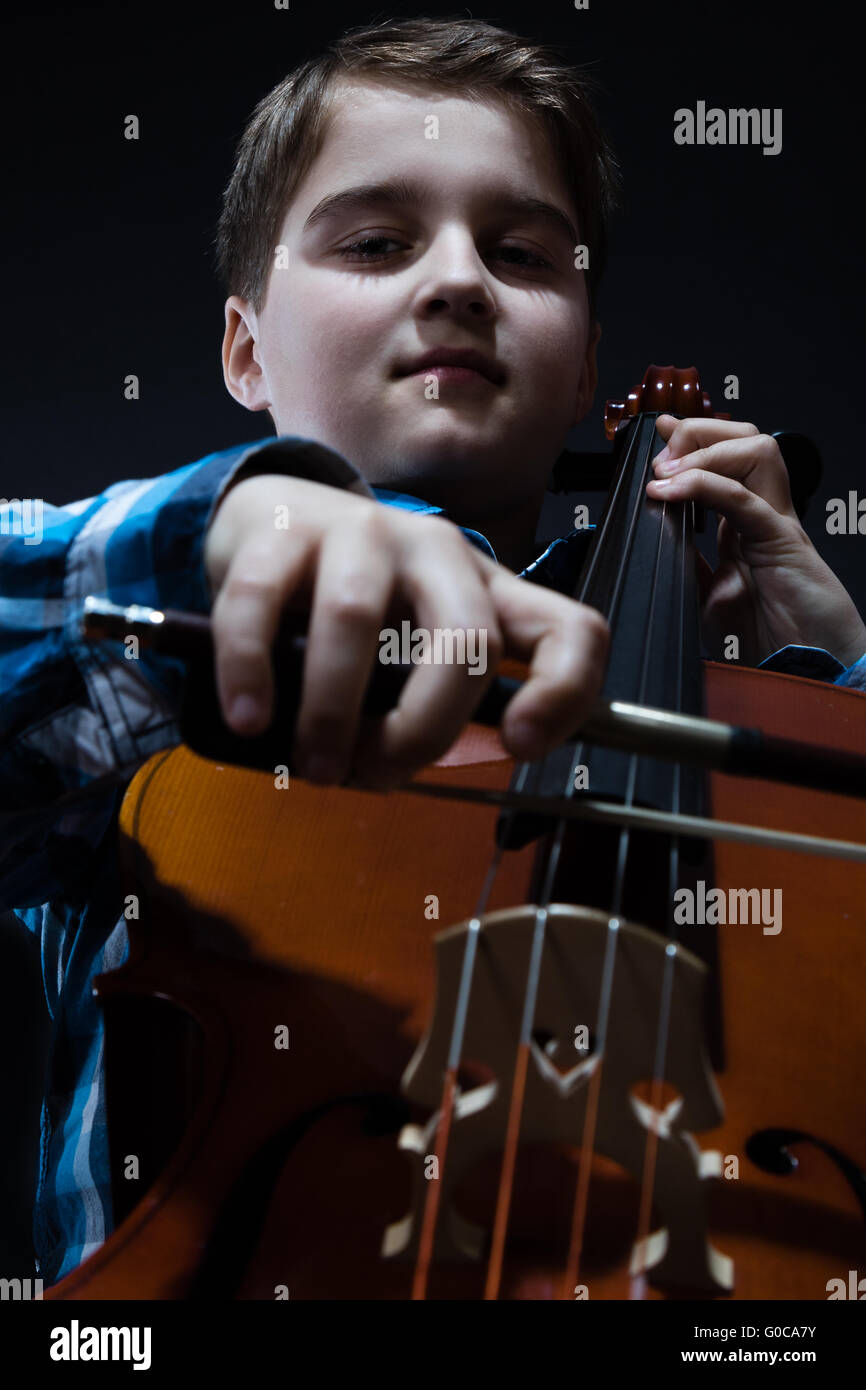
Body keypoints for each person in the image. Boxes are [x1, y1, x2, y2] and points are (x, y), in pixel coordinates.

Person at [2, 15, 864, 1291]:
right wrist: (233, 535)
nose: (456, 279)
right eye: (376, 241)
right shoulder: (161, 685)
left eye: (520, 252)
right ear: (245, 348)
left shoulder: (712, 702)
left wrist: (838, 693)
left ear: (581, 370)